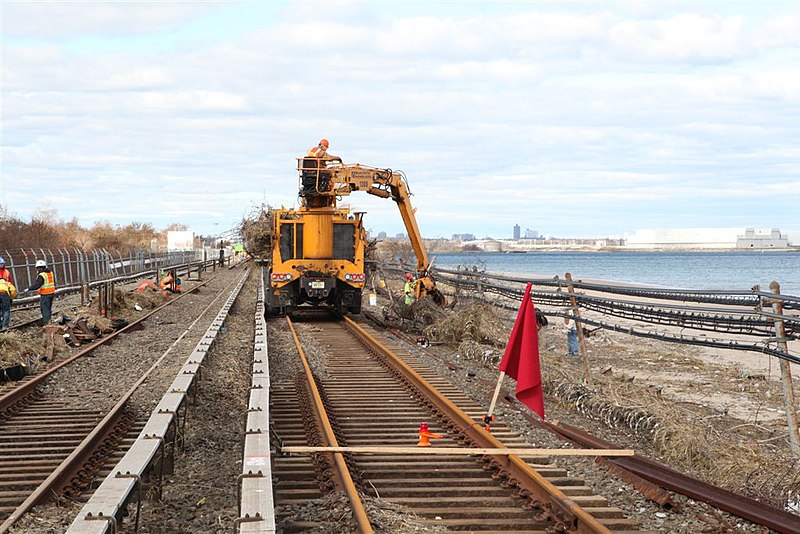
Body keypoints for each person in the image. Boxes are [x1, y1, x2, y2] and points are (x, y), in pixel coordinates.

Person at [24, 259, 56, 325]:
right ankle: (48, 320)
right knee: (48, 308)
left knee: (45, 309)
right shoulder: (50, 273)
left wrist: (29, 288)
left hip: (45, 295)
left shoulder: (42, 275)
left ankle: (47, 323)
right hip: (51, 293)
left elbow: (37, 285)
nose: (38, 269)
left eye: (38, 268)